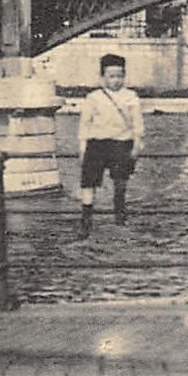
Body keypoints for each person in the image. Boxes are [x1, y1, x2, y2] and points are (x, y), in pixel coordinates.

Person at [76, 52, 143, 239]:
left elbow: (137, 122)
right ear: (102, 77)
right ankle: (86, 218)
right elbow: (85, 123)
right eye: (111, 76)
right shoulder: (93, 98)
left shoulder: (131, 96)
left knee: (121, 181)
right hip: (97, 143)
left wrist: (137, 144)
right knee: (89, 182)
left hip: (122, 143)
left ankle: (120, 216)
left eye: (119, 76)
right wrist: (82, 146)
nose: (115, 80)